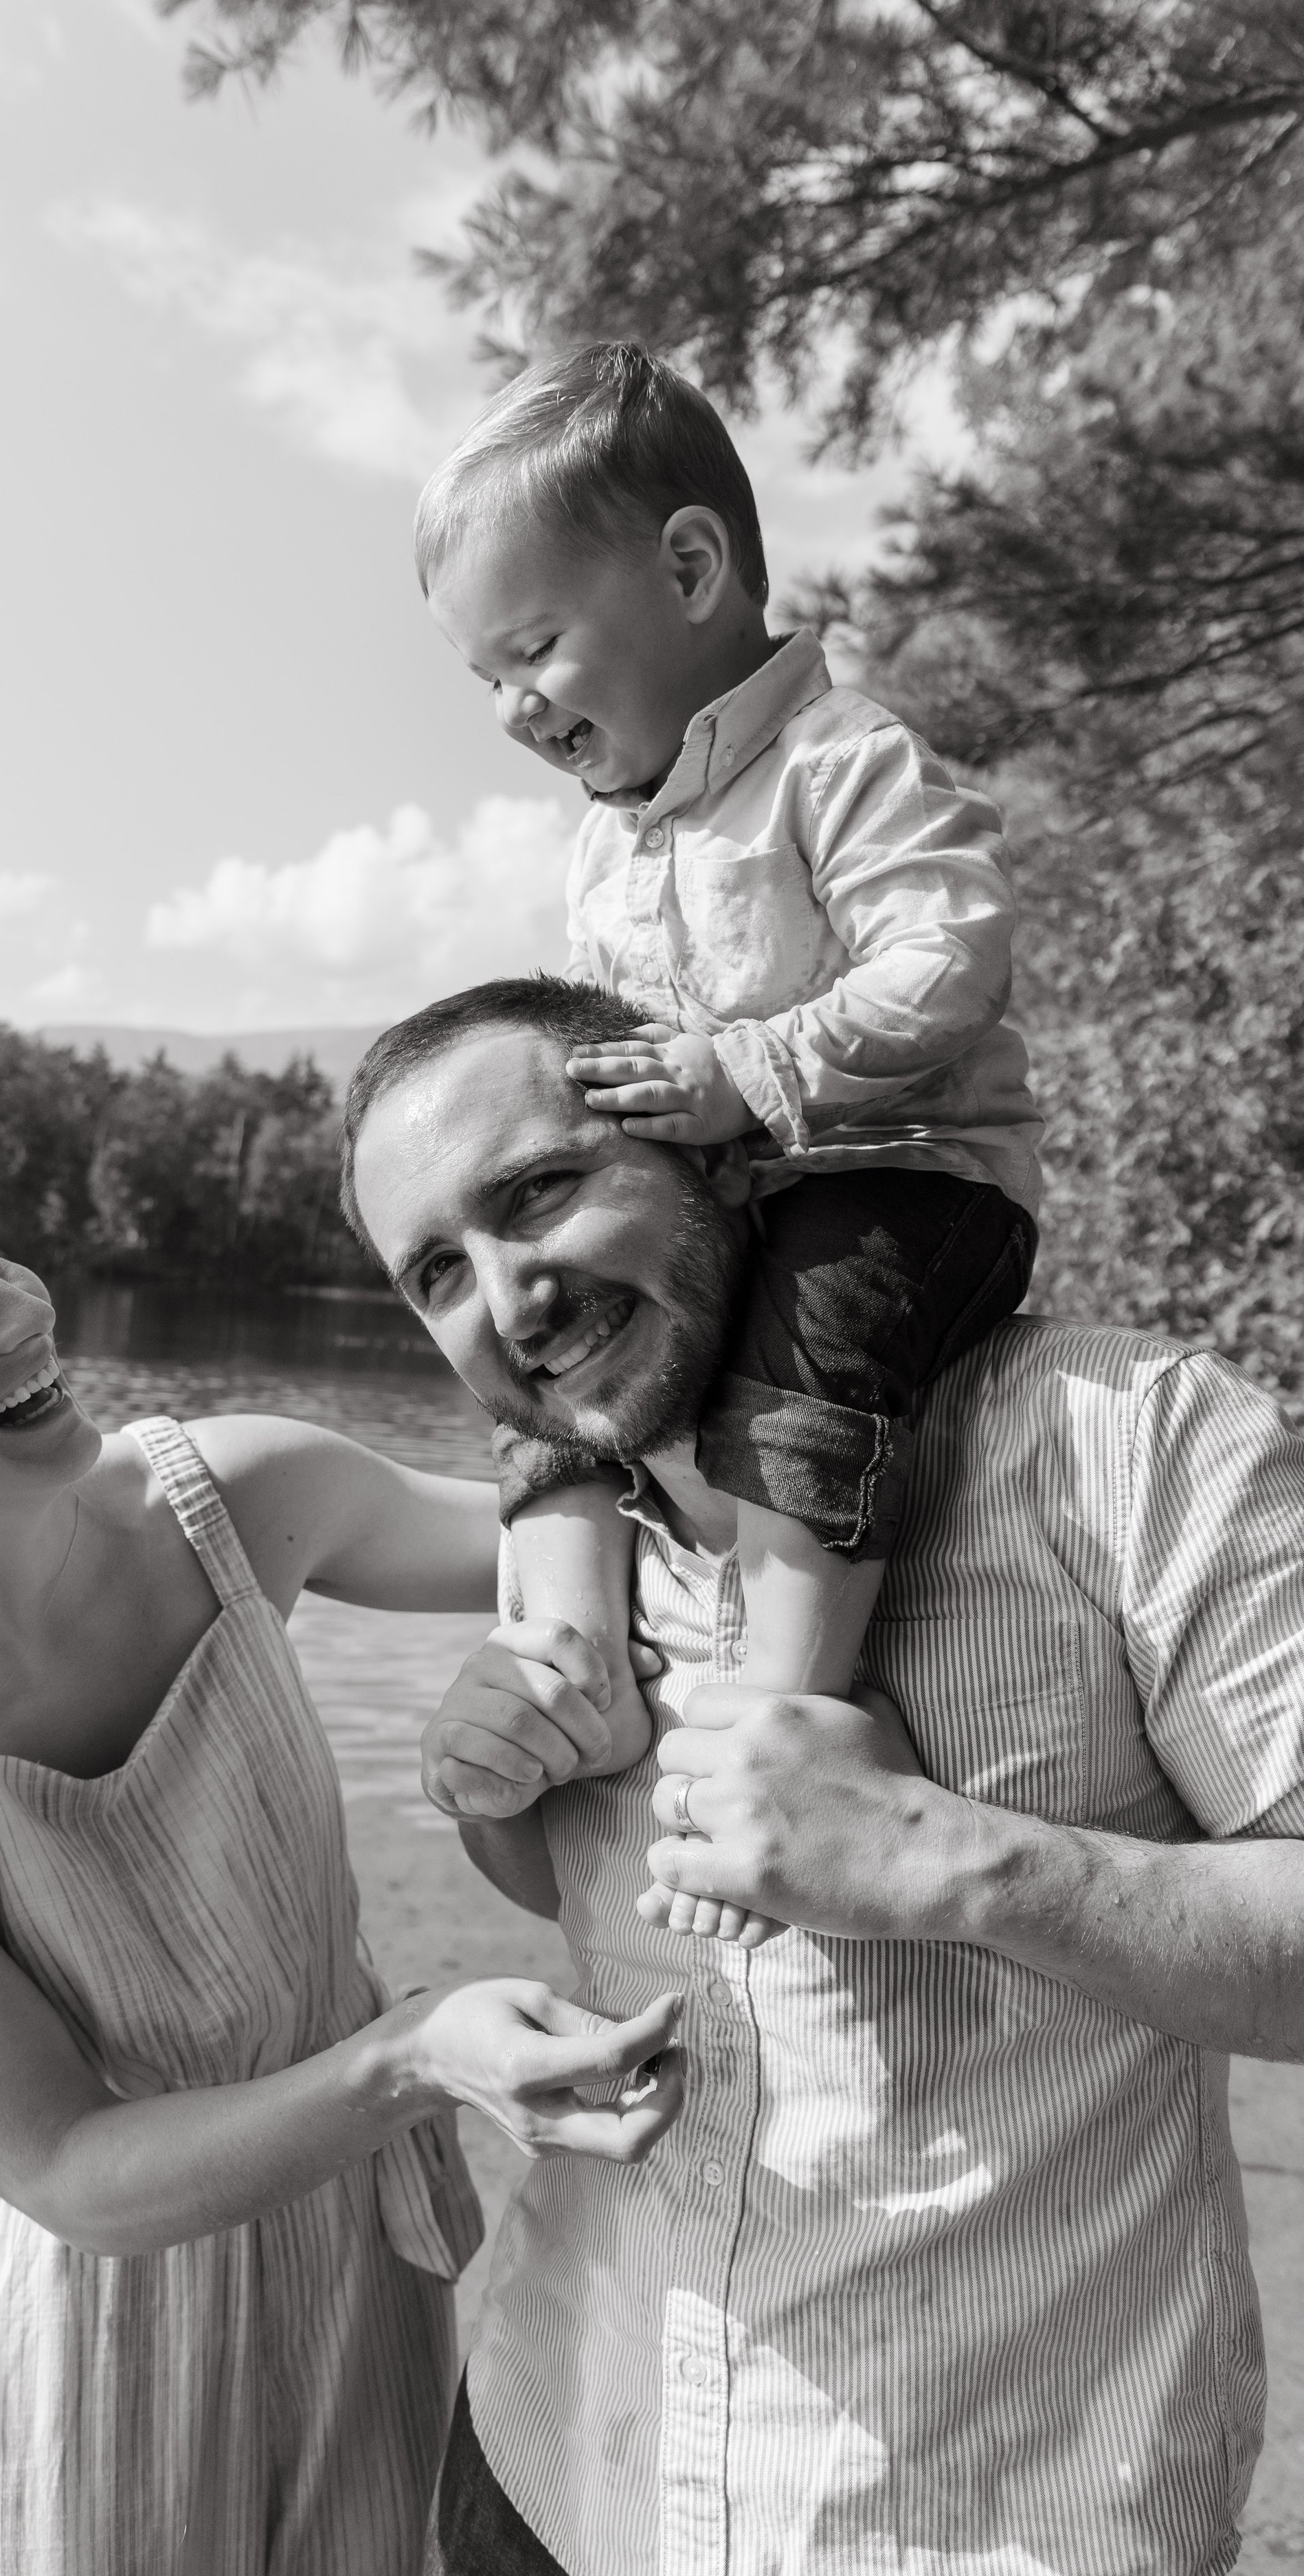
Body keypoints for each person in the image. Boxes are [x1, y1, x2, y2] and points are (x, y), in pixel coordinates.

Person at [0, 1129, 684, 2576]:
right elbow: (63, 2164)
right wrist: (415, 2057)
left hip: (363, 2273)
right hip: (97, 2346)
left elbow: (624, 1535)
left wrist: (554, 1639)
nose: (20, 1307)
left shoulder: (240, 1496)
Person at [342, 974, 1304, 2576]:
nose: (511, 1301)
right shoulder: (561, 1554)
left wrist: (954, 1860)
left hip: (970, 2526)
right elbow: (589, 1904)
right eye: (438, 1269)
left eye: (538, 1194)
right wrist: (499, 1796)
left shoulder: (1131, 1438)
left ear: (721, 1155)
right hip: (551, 2460)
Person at [416, 343, 1042, 1942]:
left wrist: (753, 1072)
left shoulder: (837, 762)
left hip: (900, 1174)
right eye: (483, 677)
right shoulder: (603, 852)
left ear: (691, 568)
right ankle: (571, 1659)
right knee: (548, 1328)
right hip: (730, 1192)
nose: (510, 708)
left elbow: (948, 956)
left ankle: (772, 1714)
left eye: (533, 648)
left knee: (817, 1332)